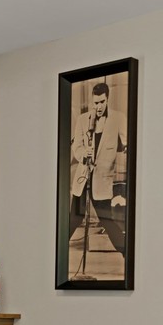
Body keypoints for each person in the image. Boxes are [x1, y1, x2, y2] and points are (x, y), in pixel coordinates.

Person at [69, 81, 128, 264]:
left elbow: (128, 144)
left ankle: (127, 254)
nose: (99, 107)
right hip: (83, 178)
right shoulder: (82, 119)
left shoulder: (118, 118)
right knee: (73, 219)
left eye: (102, 102)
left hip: (102, 180)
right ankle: (56, 250)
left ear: (107, 99)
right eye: (95, 103)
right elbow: (76, 147)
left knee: (107, 220)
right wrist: (82, 154)